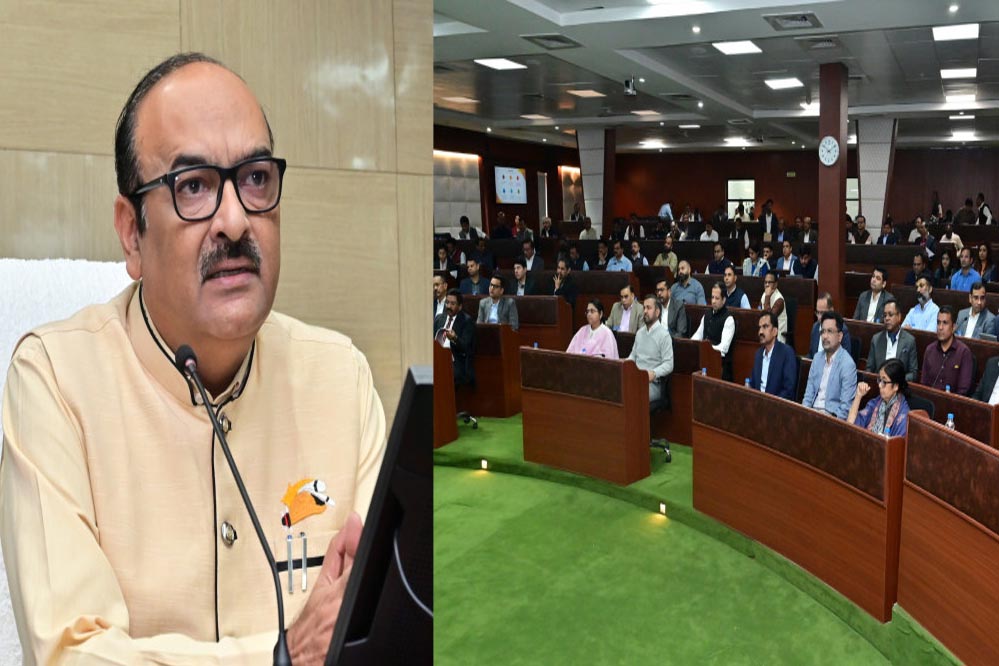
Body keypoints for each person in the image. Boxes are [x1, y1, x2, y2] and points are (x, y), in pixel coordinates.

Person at [0, 53, 387, 662]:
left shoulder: (341, 380)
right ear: (131, 233)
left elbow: (376, 628)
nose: (234, 221)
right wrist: (283, 655)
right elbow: (70, 655)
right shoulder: (55, 381)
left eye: (255, 178)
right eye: (194, 187)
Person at [802, 311, 857, 419]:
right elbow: (808, 396)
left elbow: (845, 409)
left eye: (830, 331)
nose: (825, 336)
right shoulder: (817, 358)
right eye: (823, 331)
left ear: (840, 336)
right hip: (811, 415)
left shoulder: (847, 365)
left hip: (830, 419)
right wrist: (803, 415)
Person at [627, 296, 674, 402]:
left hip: (652, 384)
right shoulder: (639, 333)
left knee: (632, 394)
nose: (645, 311)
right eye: (644, 308)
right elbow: (633, 356)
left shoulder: (664, 335)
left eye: (648, 308)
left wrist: (654, 373)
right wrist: (625, 365)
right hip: (635, 378)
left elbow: (669, 364)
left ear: (657, 312)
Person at [847, 359, 911, 437]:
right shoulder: (875, 403)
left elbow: (897, 443)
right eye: (879, 380)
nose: (880, 385)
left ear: (895, 386)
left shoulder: (903, 415)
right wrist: (858, 396)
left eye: (884, 382)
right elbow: (850, 426)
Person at [921, 306, 973, 394]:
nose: (940, 327)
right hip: (929, 400)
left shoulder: (963, 352)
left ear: (953, 327)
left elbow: (963, 390)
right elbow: (923, 384)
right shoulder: (930, 350)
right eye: (938, 323)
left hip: (953, 401)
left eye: (945, 323)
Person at [691, 283, 735, 381]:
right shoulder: (707, 314)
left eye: (717, 298)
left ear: (724, 300)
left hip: (720, 366)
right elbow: (698, 334)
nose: (713, 301)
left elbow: (724, 348)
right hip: (704, 361)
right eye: (712, 297)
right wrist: (691, 344)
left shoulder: (729, 319)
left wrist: (705, 349)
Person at [868, 299, 919, 383]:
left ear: (899, 317)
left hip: (899, 386)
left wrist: (896, 380)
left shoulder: (909, 341)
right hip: (880, 385)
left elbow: (913, 373)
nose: (887, 318)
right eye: (885, 315)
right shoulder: (876, 339)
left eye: (890, 315)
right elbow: (869, 369)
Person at [749, 312, 797, 399]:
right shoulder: (758, 354)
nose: (760, 332)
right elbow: (752, 383)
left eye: (765, 327)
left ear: (775, 331)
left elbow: (788, 390)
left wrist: (770, 403)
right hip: (757, 402)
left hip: (776, 404)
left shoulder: (786, 353)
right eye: (759, 328)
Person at [435, 289, 476, 385]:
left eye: (453, 304)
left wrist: (455, 338)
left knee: (445, 374)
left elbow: (466, 348)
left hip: (455, 362)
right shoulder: (439, 319)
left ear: (460, 306)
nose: (449, 306)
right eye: (447, 302)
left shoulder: (467, 321)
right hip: (437, 359)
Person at [809, 293, 852, 358]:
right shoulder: (815, 327)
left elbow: (845, 358)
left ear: (831, 310)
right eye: (818, 312)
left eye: (822, 313)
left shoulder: (842, 330)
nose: (819, 317)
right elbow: (811, 354)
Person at [761, 273, 787, 344]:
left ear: (775, 284)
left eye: (769, 282)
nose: (767, 285)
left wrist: (767, 297)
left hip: (777, 336)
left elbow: (769, 319)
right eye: (765, 282)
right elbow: (759, 310)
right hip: (766, 332)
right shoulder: (764, 294)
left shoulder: (779, 300)